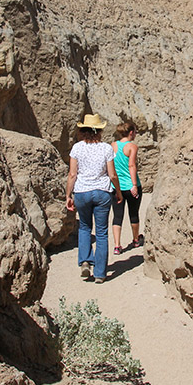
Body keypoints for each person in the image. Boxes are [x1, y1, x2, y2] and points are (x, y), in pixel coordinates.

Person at [65, 114, 122, 283]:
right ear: (99, 131)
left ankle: (85, 261)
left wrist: (68, 195)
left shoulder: (77, 148)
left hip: (82, 191)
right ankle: (100, 273)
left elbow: (72, 174)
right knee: (102, 232)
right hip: (102, 192)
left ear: (83, 130)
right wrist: (118, 192)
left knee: (84, 227)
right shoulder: (106, 148)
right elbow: (112, 174)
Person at [110, 121, 143, 255]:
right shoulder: (132, 147)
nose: (135, 134)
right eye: (135, 131)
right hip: (130, 186)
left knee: (117, 216)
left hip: (116, 186)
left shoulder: (113, 146)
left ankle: (117, 246)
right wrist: (134, 185)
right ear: (130, 133)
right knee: (133, 213)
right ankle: (135, 240)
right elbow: (132, 166)